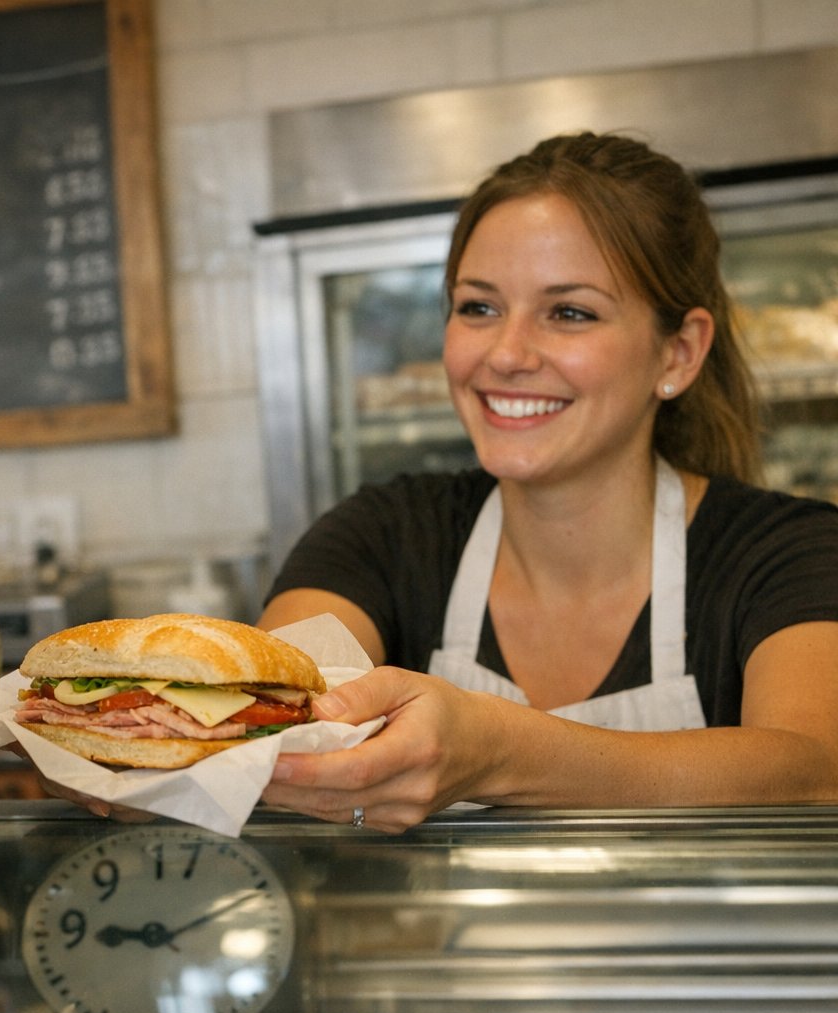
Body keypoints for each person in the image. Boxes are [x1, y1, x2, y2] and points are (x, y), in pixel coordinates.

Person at [258, 131, 838, 834]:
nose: (506, 353)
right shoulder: (383, 536)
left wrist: (500, 751)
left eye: (570, 312)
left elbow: (814, 769)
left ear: (679, 353)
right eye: (478, 307)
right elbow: (270, 706)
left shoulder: (788, 553)